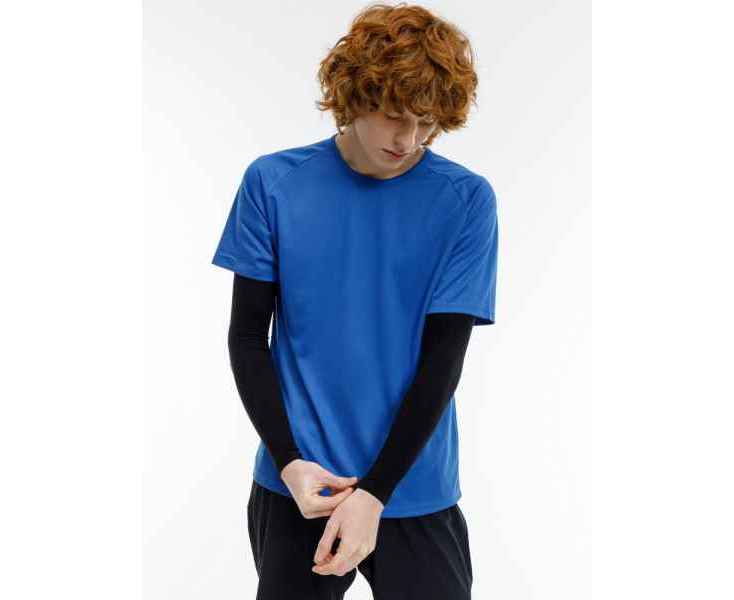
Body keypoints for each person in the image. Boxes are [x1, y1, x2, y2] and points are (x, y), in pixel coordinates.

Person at [211, 3, 498, 598]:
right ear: (356, 95)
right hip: (300, 485)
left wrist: (376, 492)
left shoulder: (466, 200)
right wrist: (289, 461)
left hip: (414, 485)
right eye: (396, 117)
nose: (410, 140)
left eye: (427, 123)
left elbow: (443, 359)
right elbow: (248, 337)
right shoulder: (273, 183)